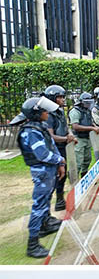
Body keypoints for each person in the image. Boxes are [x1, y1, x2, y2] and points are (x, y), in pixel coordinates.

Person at [10, 95, 64, 259]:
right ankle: (32, 244)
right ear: (36, 113)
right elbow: (42, 154)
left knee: (46, 199)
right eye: (44, 110)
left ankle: (45, 225)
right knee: (39, 205)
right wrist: (59, 159)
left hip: (49, 170)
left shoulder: (40, 126)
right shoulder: (30, 132)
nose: (47, 112)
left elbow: (52, 146)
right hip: (42, 171)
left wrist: (59, 163)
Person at [69, 92, 96, 180]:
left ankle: (84, 177)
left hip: (87, 138)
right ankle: (74, 179)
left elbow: (89, 121)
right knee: (78, 161)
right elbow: (75, 126)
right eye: (87, 103)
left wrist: (94, 126)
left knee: (87, 159)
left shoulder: (87, 111)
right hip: (79, 139)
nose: (88, 104)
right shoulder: (75, 111)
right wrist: (92, 129)